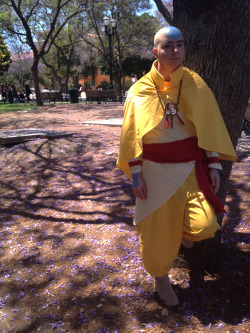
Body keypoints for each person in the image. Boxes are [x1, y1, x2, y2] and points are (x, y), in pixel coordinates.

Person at [117, 26, 237, 307]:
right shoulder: (140, 90)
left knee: (206, 225)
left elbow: (208, 127)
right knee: (157, 236)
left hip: (190, 169)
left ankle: (183, 233)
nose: (175, 51)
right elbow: (132, 135)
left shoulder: (195, 83)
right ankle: (161, 280)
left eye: (180, 45)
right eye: (168, 46)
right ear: (155, 51)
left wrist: (214, 166)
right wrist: (136, 176)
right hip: (154, 172)